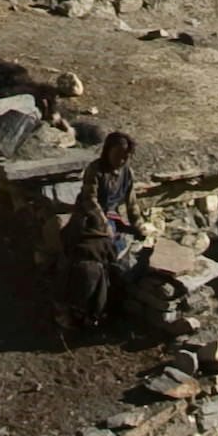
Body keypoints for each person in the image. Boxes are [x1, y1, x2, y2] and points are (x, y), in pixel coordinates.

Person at [57, 130, 148, 340]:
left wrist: (139, 225)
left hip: (110, 220)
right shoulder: (95, 170)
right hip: (87, 219)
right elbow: (90, 200)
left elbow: (132, 204)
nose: (121, 160)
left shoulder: (127, 173)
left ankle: (105, 307)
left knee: (120, 256)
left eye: (125, 156)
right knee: (91, 253)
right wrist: (102, 222)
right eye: (118, 155)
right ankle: (77, 306)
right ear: (107, 151)